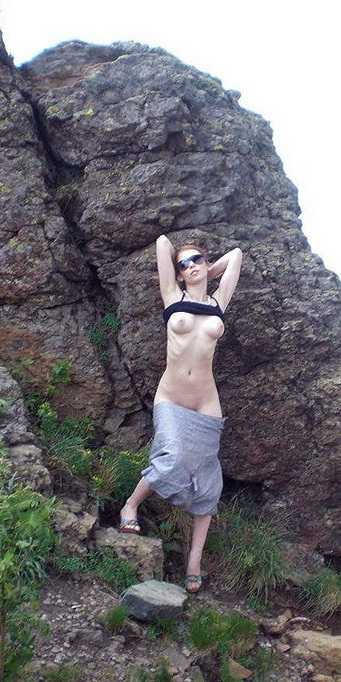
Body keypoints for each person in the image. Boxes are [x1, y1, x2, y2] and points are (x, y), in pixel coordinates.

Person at [119, 234, 242, 593]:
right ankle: (130, 506)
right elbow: (161, 242)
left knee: (208, 482)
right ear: (178, 273)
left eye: (196, 260)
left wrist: (208, 270)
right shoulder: (172, 296)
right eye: (183, 264)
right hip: (172, 396)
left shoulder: (219, 302)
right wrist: (187, 269)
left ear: (207, 263)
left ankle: (194, 561)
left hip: (206, 400)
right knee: (170, 459)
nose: (190, 266)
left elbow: (236, 255)